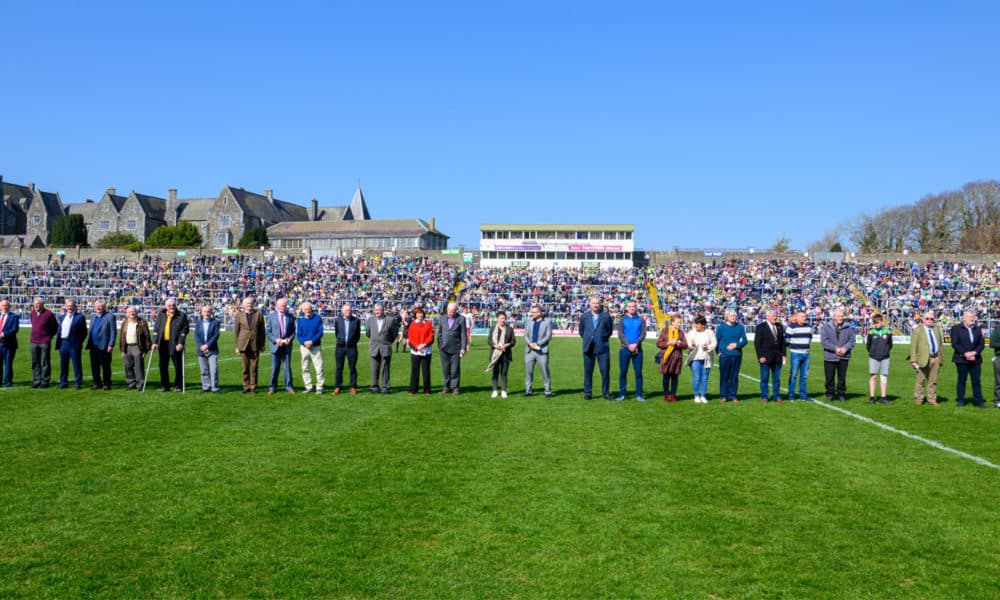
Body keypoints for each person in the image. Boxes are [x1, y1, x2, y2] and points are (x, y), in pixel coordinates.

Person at [151, 298, 190, 392]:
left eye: (173, 305)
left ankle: (178, 386)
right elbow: (156, 329)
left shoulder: (181, 315)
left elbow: (184, 330)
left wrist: (180, 342)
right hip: (163, 343)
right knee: (163, 366)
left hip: (175, 343)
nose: (171, 307)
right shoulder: (161, 315)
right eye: (169, 305)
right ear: (166, 306)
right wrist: (155, 342)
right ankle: (165, 386)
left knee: (178, 365)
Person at [579, 296, 613, 400]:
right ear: (589, 304)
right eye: (593, 303)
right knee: (588, 372)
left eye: (597, 303)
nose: (595, 305)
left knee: (605, 371)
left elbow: (609, 331)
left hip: (602, 348)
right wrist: (588, 338)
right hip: (588, 348)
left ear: (600, 304)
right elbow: (581, 331)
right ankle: (588, 393)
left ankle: (606, 393)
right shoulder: (584, 316)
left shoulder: (606, 316)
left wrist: (601, 338)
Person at [951, 310, 985, 408]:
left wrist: (974, 353)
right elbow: (955, 344)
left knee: (976, 381)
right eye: (970, 317)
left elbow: (981, 344)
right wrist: (965, 354)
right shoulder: (956, 328)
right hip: (961, 359)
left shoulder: (977, 329)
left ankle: (979, 402)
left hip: (975, 359)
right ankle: (961, 401)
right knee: (962, 380)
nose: (972, 318)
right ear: (964, 318)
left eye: (973, 317)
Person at [820, 308, 855, 401]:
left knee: (842, 377)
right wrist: (835, 348)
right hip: (830, 356)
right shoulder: (826, 327)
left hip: (844, 356)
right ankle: (830, 394)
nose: (841, 318)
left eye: (842, 316)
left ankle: (841, 394)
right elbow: (824, 341)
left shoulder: (849, 327)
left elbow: (852, 340)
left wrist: (845, 348)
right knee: (829, 377)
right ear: (834, 317)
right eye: (838, 316)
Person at [910, 310, 943, 406]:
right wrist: (913, 360)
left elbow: (940, 345)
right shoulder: (917, 330)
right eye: (927, 318)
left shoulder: (936, 329)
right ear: (923, 320)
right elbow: (913, 346)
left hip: (935, 358)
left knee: (933, 381)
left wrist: (941, 358)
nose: (929, 320)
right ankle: (919, 399)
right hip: (923, 358)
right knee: (920, 380)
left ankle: (931, 399)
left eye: (931, 319)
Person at [615, 300, 646, 401]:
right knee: (623, 372)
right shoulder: (622, 319)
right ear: (627, 308)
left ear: (636, 307)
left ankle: (639, 395)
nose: (632, 308)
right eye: (630, 306)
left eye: (634, 306)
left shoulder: (641, 320)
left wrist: (636, 343)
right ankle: (622, 394)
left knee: (638, 373)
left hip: (638, 349)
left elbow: (643, 334)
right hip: (624, 349)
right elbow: (620, 334)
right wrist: (628, 345)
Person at [234, 296, 266, 393]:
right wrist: (236, 346)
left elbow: (262, 331)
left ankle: (253, 387)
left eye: (251, 303)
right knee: (245, 368)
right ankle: (246, 386)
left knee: (254, 367)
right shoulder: (239, 315)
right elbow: (236, 331)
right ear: (244, 305)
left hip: (255, 344)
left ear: (253, 304)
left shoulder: (259, 314)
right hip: (243, 344)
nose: (249, 305)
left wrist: (262, 344)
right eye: (247, 304)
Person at [266, 297, 296, 395]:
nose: (284, 307)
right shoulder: (271, 316)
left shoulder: (290, 316)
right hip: (275, 346)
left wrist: (289, 339)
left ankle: (289, 386)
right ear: (277, 306)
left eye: (285, 305)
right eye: (282, 305)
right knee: (275, 367)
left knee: (287, 367)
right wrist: (275, 340)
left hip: (286, 346)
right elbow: (268, 331)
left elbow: (293, 332)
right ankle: (272, 387)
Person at [754, 309, 786, 403]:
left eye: (775, 315)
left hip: (777, 357)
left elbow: (782, 343)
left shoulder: (779, 326)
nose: (775, 317)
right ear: (767, 316)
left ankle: (777, 396)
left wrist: (784, 355)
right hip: (765, 357)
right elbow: (757, 343)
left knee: (776, 378)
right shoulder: (761, 327)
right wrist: (760, 356)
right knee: (764, 378)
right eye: (773, 315)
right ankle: (765, 396)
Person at [436, 302, 467, 395]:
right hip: (443, 348)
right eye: (449, 311)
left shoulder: (461, 319)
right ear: (447, 310)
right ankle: (446, 387)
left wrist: (463, 347)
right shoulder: (442, 318)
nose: (451, 313)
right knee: (445, 369)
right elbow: (440, 333)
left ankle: (455, 388)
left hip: (456, 348)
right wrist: (440, 345)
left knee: (455, 369)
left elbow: (463, 334)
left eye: (453, 312)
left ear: (456, 310)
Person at [715, 309, 747, 403]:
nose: (733, 317)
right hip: (724, 356)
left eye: (734, 315)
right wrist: (719, 352)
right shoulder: (721, 327)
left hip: (737, 355)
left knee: (734, 376)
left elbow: (744, 340)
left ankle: (733, 395)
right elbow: (716, 341)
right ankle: (723, 395)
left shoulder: (740, 327)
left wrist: (736, 345)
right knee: (724, 376)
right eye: (731, 315)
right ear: (726, 317)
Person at [367, 303, 398, 394]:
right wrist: (375, 340)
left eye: (379, 310)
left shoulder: (390, 320)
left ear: (383, 310)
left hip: (386, 347)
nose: (377, 312)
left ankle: (385, 388)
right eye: (376, 310)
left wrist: (387, 342)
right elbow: (368, 333)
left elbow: (394, 333)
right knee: (374, 369)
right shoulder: (370, 320)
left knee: (385, 368)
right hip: (374, 347)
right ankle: (374, 387)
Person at [655, 313, 687, 403]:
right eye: (677, 322)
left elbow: (686, 345)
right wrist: (668, 343)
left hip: (677, 358)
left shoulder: (681, 332)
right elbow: (658, 343)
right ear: (672, 322)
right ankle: (666, 395)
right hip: (666, 357)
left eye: (680, 322)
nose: (679, 324)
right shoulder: (665, 330)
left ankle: (673, 395)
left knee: (675, 378)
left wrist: (678, 344)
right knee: (666, 377)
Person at [118, 305, 151, 391]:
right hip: (127, 347)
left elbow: (147, 337)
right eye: (130, 312)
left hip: (138, 347)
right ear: (127, 313)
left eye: (134, 311)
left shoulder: (142, 322)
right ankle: (131, 383)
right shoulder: (124, 323)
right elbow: (121, 336)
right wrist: (122, 349)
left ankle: (140, 384)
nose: (132, 313)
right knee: (128, 366)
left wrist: (145, 350)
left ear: (136, 312)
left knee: (138, 367)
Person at [56, 299, 87, 389]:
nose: (70, 307)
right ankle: (63, 382)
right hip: (63, 343)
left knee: (76, 364)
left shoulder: (80, 317)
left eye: (71, 306)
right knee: (63, 364)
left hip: (74, 344)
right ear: (65, 306)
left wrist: (78, 342)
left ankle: (78, 383)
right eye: (68, 306)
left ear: (75, 307)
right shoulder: (62, 317)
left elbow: (84, 332)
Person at [686, 314, 717, 404]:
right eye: (695, 324)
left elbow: (714, 343)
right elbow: (689, 343)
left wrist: (708, 347)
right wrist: (692, 345)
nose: (696, 325)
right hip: (695, 358)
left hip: (706, 358)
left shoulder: (709, 332)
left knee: (704, 378)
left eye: (698, 324)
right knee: (696, 378)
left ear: (703, 325)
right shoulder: (692, 332)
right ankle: (696, 396)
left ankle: (703, 396)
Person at [86, 300, 116, 390]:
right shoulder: (93, 316)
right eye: (97, 306)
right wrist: (89, 343)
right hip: (93, 346)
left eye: (100, 306)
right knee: (94, 366)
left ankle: (107, 383)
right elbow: (91, 330)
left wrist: (111, 344)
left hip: (105, 345)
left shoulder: (110, 316)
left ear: (104, 307)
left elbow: (113, 332)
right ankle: (96, 383)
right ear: (94, 307)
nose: (98, 308)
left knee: (106, 366)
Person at [523, 304, 552, 397]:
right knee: (528, 371)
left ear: (540, 313)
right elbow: (525, 335)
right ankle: (528, 390)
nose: (532, 314)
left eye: (534, 312)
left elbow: (548, 336)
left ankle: (547, 390)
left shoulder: (547, 322)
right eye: (532, 312)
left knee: (545, 371)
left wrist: (538, 343)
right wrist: (530, 343)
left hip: (542, 351)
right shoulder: (529, 321)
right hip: (529, 350)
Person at [29, 297, 58, 388]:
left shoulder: (49, 314)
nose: (36, 305)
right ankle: (37, 380)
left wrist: (49, 336)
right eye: (35, 304)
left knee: (45, 362)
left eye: (38, 304)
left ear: (42, 304)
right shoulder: (32, 313)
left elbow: (55, 327)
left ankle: (45, 381)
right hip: (34, 341)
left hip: (44, 341)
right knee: (35, 362)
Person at [332, 303, 361, 395]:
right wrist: (342, 341)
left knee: (352, 368)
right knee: (339, 368)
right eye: (347, 310)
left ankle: (352, 386)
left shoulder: (356, 320)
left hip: (351, 348)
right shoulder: (338, 320)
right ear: (342, 311)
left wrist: (352, 343)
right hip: (340, 347)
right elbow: (337, 333)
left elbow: (358, 334)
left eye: (350, 310)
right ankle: (338, 386)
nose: (349, 311)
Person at [297, 301, 325, 394]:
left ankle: (319, 387)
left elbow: (320, 332)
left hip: (315, 346)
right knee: (305, 368)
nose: (307, 310)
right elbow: (299, 335)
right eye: (305, 309)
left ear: (311, 309)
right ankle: (308, 386)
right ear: (302, 310)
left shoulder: (317, 319)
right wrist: (304, 342)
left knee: (319, 368)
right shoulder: (300, 321)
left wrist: (312, 341)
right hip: (304, 348)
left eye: (308, 309)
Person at [487, 310, 515, 398]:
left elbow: (513, 341)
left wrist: (507, 345)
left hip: (505, 355)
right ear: (497, 319)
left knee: (504, 373)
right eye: (501, 318)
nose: (503, 320)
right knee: (495, 373)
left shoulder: (509, 329)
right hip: (495, 354)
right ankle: (495, 390)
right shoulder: (492, 328)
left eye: (504, 318)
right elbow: (489, 341)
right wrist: (495, 346)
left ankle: (503, 391)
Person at [785, 310, 812, 401]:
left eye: (805, 316)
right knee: (793, 375)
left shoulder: (809, 327)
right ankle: (791, 395)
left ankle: (803, 396)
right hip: (795, 354)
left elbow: (809, 338)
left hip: (806, 354)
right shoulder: (791, 327)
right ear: (797, 317)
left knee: (804, 376)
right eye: (803, 316)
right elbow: (786, 340)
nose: (805, 318)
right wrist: (794, 347)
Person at [866, 314, 893, 404]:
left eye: (877, 322)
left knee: (884, 376)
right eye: (874, 323)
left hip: (885, 357)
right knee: (873, 376)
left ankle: (883, 397)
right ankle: (872, 397)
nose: (876, 324)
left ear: (882, 321)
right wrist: (873, 352)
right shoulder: (871, 332)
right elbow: (868, 345)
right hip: (873, 357)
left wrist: (885, 351)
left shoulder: (888, 331)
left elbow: (890, 344)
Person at [407, 306, 434, 395]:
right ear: (415, 315)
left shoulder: (428, 323)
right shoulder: (412, 324)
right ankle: (413, 389)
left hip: (426, 350)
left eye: (421, 313)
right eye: (418, 313)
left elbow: (431, 336)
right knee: (414, 370)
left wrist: (424, 345)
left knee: (426, 371)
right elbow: (410, 337)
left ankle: (427, 389)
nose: (420, 315)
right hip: (415, 351)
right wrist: (417, 347)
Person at [194, 304, 221, 394]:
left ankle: (215, 388)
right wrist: (201, 346)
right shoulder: (198, 323)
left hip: (212, 350)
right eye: (205, 311)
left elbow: (216, 336)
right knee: (204, 370)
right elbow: (196, 336)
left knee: (213, 370)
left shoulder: (215, 322)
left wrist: (207, 346)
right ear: (201, 312)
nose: (207, 313)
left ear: (211, 312)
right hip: (201, 350)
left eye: (208, 311)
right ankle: (206, 387)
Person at [0, 299, 19, 388]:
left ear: (9, 306)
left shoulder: (14, 316)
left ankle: (8, 381)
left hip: (9, 344)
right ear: (0, 307)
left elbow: (14, 329)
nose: (4, 307)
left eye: (6, 305)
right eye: (3, 305)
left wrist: (3, 334)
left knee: (8, 363)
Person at [991, 316, 1000, 409]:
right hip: (999, 358)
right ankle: (997, 401)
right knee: (999, 381)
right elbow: (992, 344)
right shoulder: (997, 329)